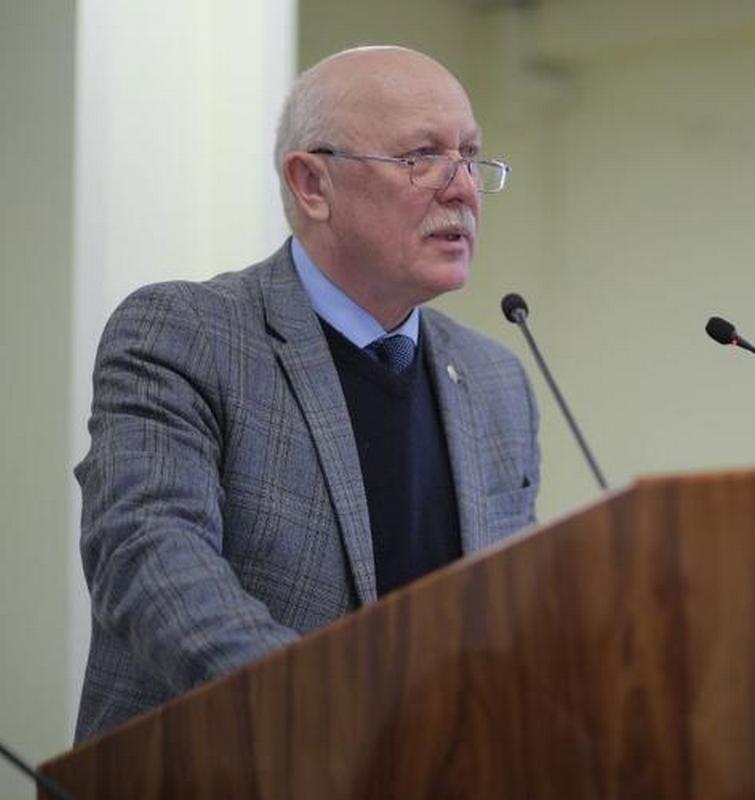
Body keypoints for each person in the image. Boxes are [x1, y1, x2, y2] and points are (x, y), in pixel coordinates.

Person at [73, 46, 540, 742]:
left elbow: (512, 615)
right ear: (312, 183)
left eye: (469, 157)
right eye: (422, 157)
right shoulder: (187, 334)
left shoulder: (496, 380)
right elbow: (148, 557)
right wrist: (337, 713)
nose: (464, 190)